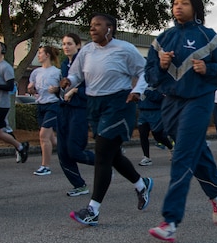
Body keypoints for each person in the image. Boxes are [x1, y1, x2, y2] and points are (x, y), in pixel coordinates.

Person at [145, 0, 217, 243]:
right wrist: (161, 66)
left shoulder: (210, 37)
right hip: (171, 103)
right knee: (195, 150)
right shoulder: (162, 39)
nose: (178, 6)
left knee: (183, 154)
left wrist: (209, 68)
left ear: (195, 7)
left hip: (199, 100)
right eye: (175, 3)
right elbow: (149, 76)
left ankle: (170, 221)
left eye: (184, 3)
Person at [63, 13, 152, 227]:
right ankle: (142, 184)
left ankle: (93, 210)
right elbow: (77, 75)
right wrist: (69, 81)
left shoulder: (125, 49)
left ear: (110, 28)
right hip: (94, 105)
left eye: (97, 25)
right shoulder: (86, 51)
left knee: (102, 154)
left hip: (119, 103)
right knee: (111, 155)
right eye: (91, 25)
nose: (92, 29)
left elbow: (145, 72)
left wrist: (137, 91)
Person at [0, 41, 29, 172]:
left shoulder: (6, 67)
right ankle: (20, 146)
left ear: (2, 52)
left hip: (1, 105)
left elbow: (9, 86)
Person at [57, 32, 95, 196]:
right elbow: (63, 89)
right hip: (64, 109)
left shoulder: (86, 63)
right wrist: (56, 90)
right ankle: (79, 185)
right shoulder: (65, 65)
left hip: (80, 109)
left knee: (74, 150)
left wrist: (75, 90)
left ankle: (107, 162)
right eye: (64, 44)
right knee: (62, 152)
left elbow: (93, 87)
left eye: (70, 43)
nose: (66, 47)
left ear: (78, 45)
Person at [27, 45, 61, 176]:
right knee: (51, 139)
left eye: (40, 53)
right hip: (40, 105)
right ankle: (70, 150)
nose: (38, 55)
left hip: (53, 105)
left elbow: (64, 89)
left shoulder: (57, 72)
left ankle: (45, 166)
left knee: (43, 136)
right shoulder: (36, 72)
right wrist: (31, 89)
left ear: (47, 55)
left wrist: (57, 89)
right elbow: (33, 89)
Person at [136, 85, 173, 166]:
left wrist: (146, 91)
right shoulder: (140, 83)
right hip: (143, 112)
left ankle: (172, 148)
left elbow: (159, 97)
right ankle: (147, 157)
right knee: (143, 134)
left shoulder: (157, 83)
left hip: (155, 112)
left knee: (157, 135)